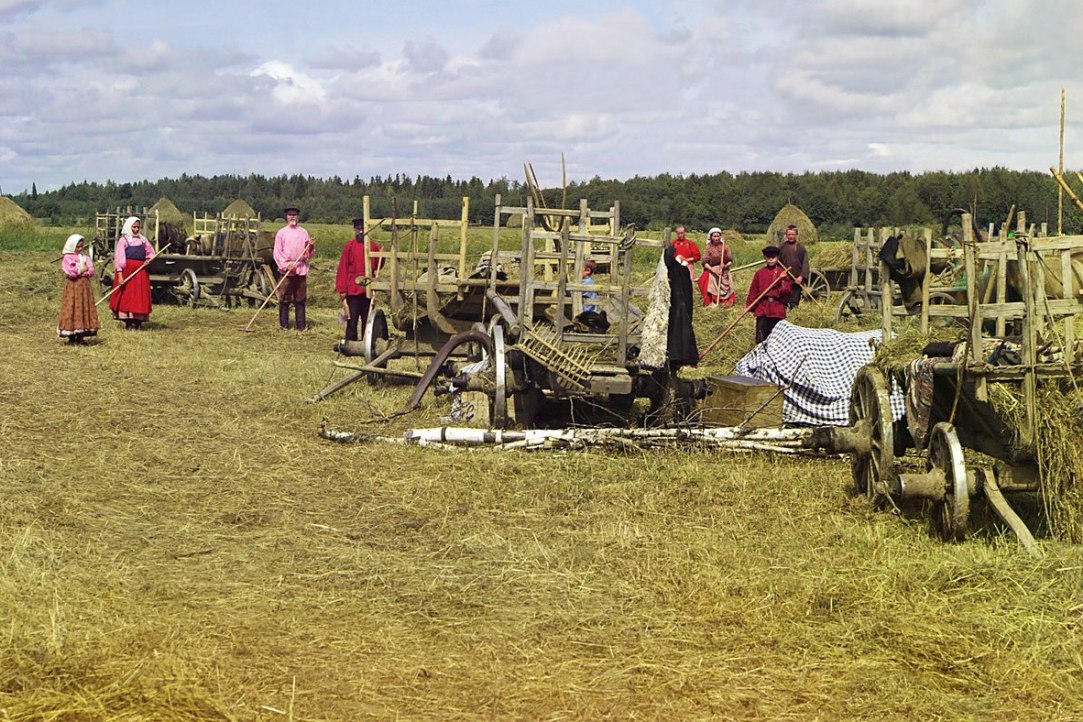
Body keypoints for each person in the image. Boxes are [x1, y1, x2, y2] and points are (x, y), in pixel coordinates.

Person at [335, 217, 384, 342]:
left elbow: (378, 265)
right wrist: (342, 289)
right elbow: (343, 268)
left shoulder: (372, 246)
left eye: (363, 229)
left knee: (367, 318)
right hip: (353, 288)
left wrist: (382, 255)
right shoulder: (349, 246)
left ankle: (366, 342)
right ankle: (350, 342)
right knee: (352, 318)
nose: (361, 232)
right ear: (355, 230)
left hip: (367, 288)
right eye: (358, 229)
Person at [109, 216, 156, 329]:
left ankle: (138, 321)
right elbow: (119, 258)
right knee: (127, 296)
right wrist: (120, 275)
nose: (136, 229)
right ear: (129, 227)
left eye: (138, 227)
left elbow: (151, 253)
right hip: (127, 272)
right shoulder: (124, 240)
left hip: (140, 272)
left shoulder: (143, 240)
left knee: (139, 296)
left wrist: (147, 261)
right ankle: (128, 321)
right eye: (134, 227)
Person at [273, 206, 315, 331]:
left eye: (294, 215)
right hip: (287, 269)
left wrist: (311, 247)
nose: (292, 217)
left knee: (300, 298)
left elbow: (308, 253)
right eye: (290, 215)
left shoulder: (303, 232)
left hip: (300, 268)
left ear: (298, 217)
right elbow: (277, 252)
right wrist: (286, 265)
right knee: (284, 298)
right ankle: (284, 325)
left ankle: (301, 326)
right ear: (286, 217)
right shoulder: (281, 233)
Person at [57, 233, 100, 345]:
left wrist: (86, 271)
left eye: (81, 246)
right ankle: (71, 336)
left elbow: (90, 269)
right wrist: (81, 269)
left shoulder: (84, 257)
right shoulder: (67, 257)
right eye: (77, 247)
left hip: (84, 287)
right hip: (73, 286)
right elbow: (71, 272)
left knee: (84, 307)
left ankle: (81, 336)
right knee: (72, 308)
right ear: (72, 246)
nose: (80, 249)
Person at [747, 245, 792, 344]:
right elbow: (753, 291)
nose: (771, 259)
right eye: (768, 257)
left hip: (777, 308)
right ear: (764, 258)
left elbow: (787, 292)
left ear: (777, 258)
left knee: (776, 339)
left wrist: (783, 280)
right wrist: (750, 306)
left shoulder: (782, 273)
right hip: (762, 308)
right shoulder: (759, 273)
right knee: (761, 338)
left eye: (773, 257)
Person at [664, 242, 698, 368]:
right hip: (674, 306)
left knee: (681, 330)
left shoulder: (680, 270)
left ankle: (682, 356)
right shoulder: (667, 272)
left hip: (679, 306)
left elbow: (687, 289)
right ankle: (675, 356)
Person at [697, 227, 734, 306]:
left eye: (718, 236)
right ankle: (712, 301)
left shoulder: (725, 246)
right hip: (711, 269)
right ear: (711, 237)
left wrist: (724, 266)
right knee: (703, 280)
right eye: (714, 236)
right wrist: (713, 271)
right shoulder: (708, 247)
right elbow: (705, 262)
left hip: (723, 269)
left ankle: (725, 301)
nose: (716, 238)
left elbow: (730, 260)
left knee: (727, 283)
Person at [778, 224, 809, 308]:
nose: (791, 236)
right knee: (784, 297)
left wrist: (801, 276)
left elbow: (805, 264)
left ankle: (793, 309)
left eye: (793, 234)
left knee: (794, 299)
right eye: (789, 235)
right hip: (785, 277)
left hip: (796, 278)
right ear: (786, 235)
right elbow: (778, 262)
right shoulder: (782, 247)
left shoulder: (801, 248)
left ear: (796, 235)